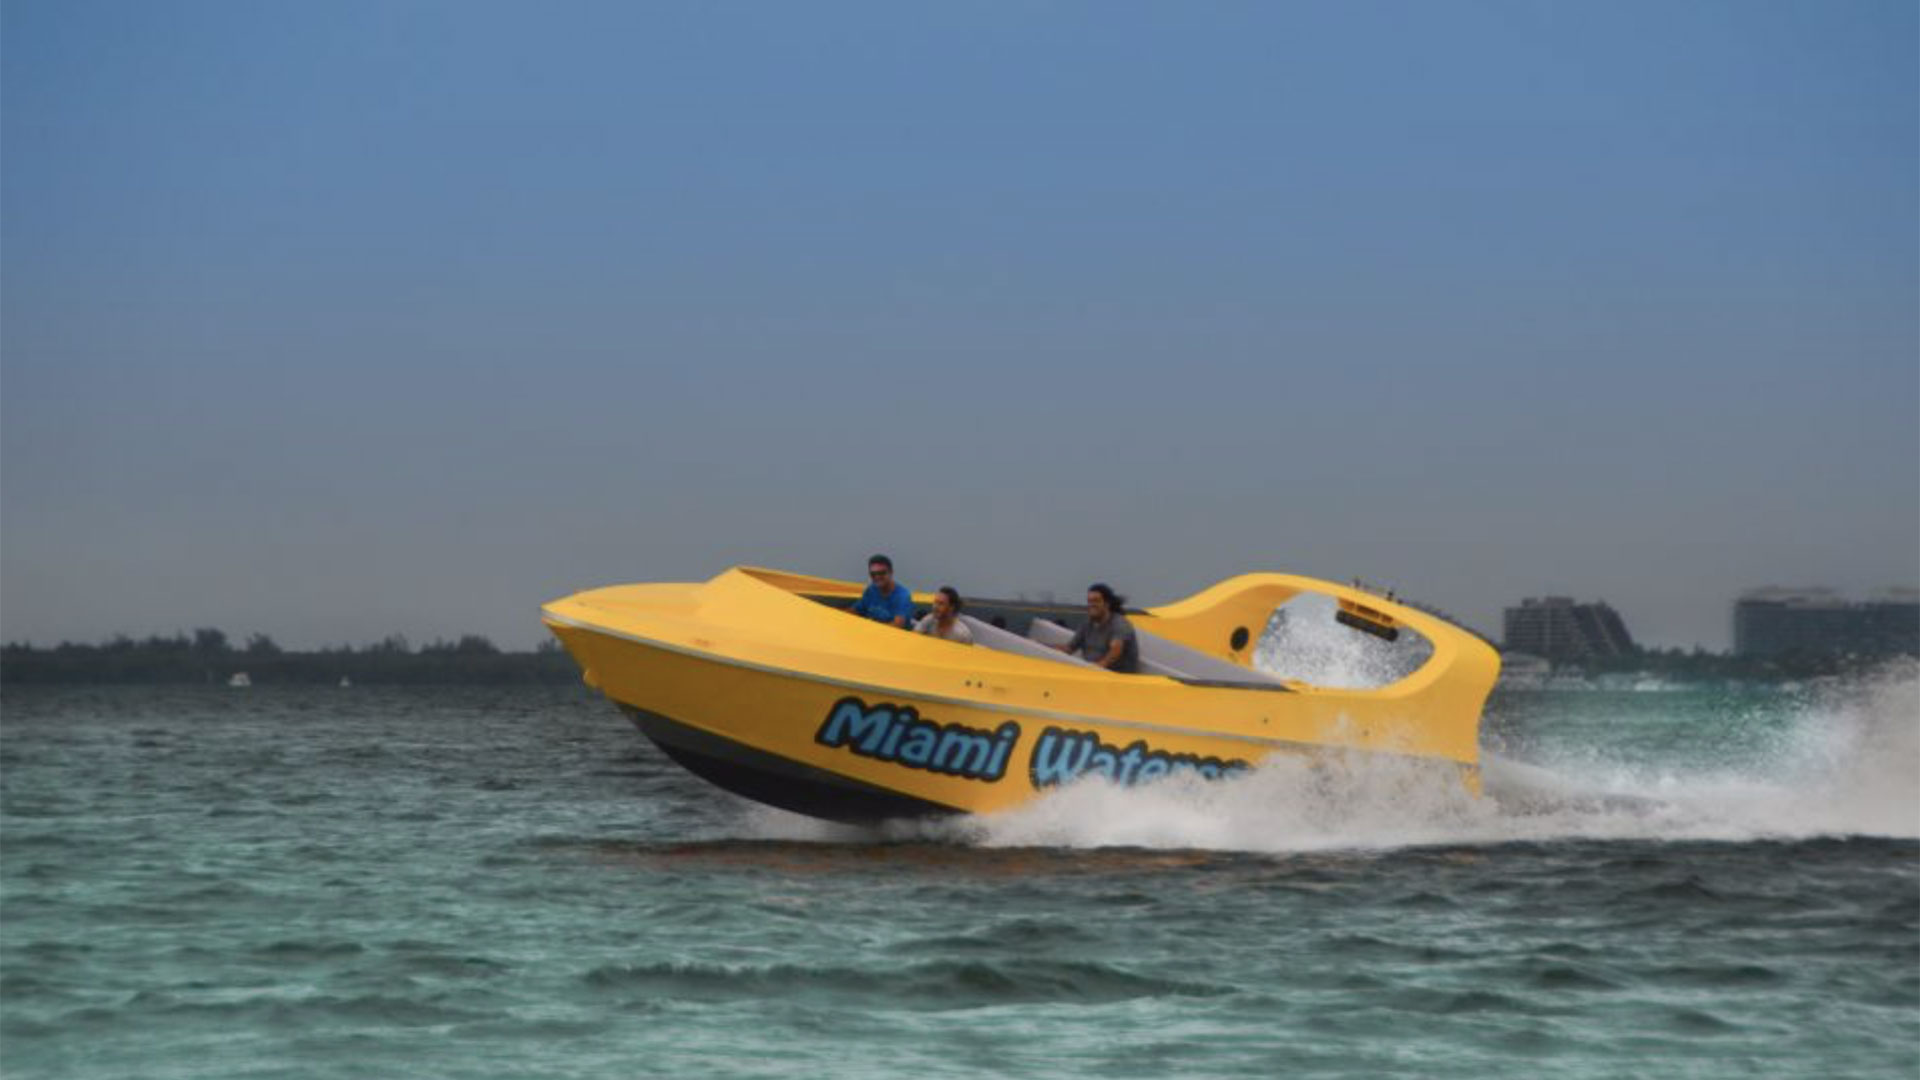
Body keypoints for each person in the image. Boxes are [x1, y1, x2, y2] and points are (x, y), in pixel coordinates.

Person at [1060, 582, 1139, 673]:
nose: (1091, 605)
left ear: (1107, 604)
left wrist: (1096, 668)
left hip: (1115, 679)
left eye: (1096, 601)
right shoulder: (1087, 625)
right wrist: (1043, 648)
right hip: (1091, 675)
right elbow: (1069, 648)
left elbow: (1115, 650)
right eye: (1089, 601)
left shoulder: (1119, 624)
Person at [850, 553, 913, 628]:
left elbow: (897, 625)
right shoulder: (871, 590)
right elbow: (854, 611)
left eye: (881, 573)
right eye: (873, 574)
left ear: (891, 572)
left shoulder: (902, 596)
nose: (877, 577)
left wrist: (871, 629)